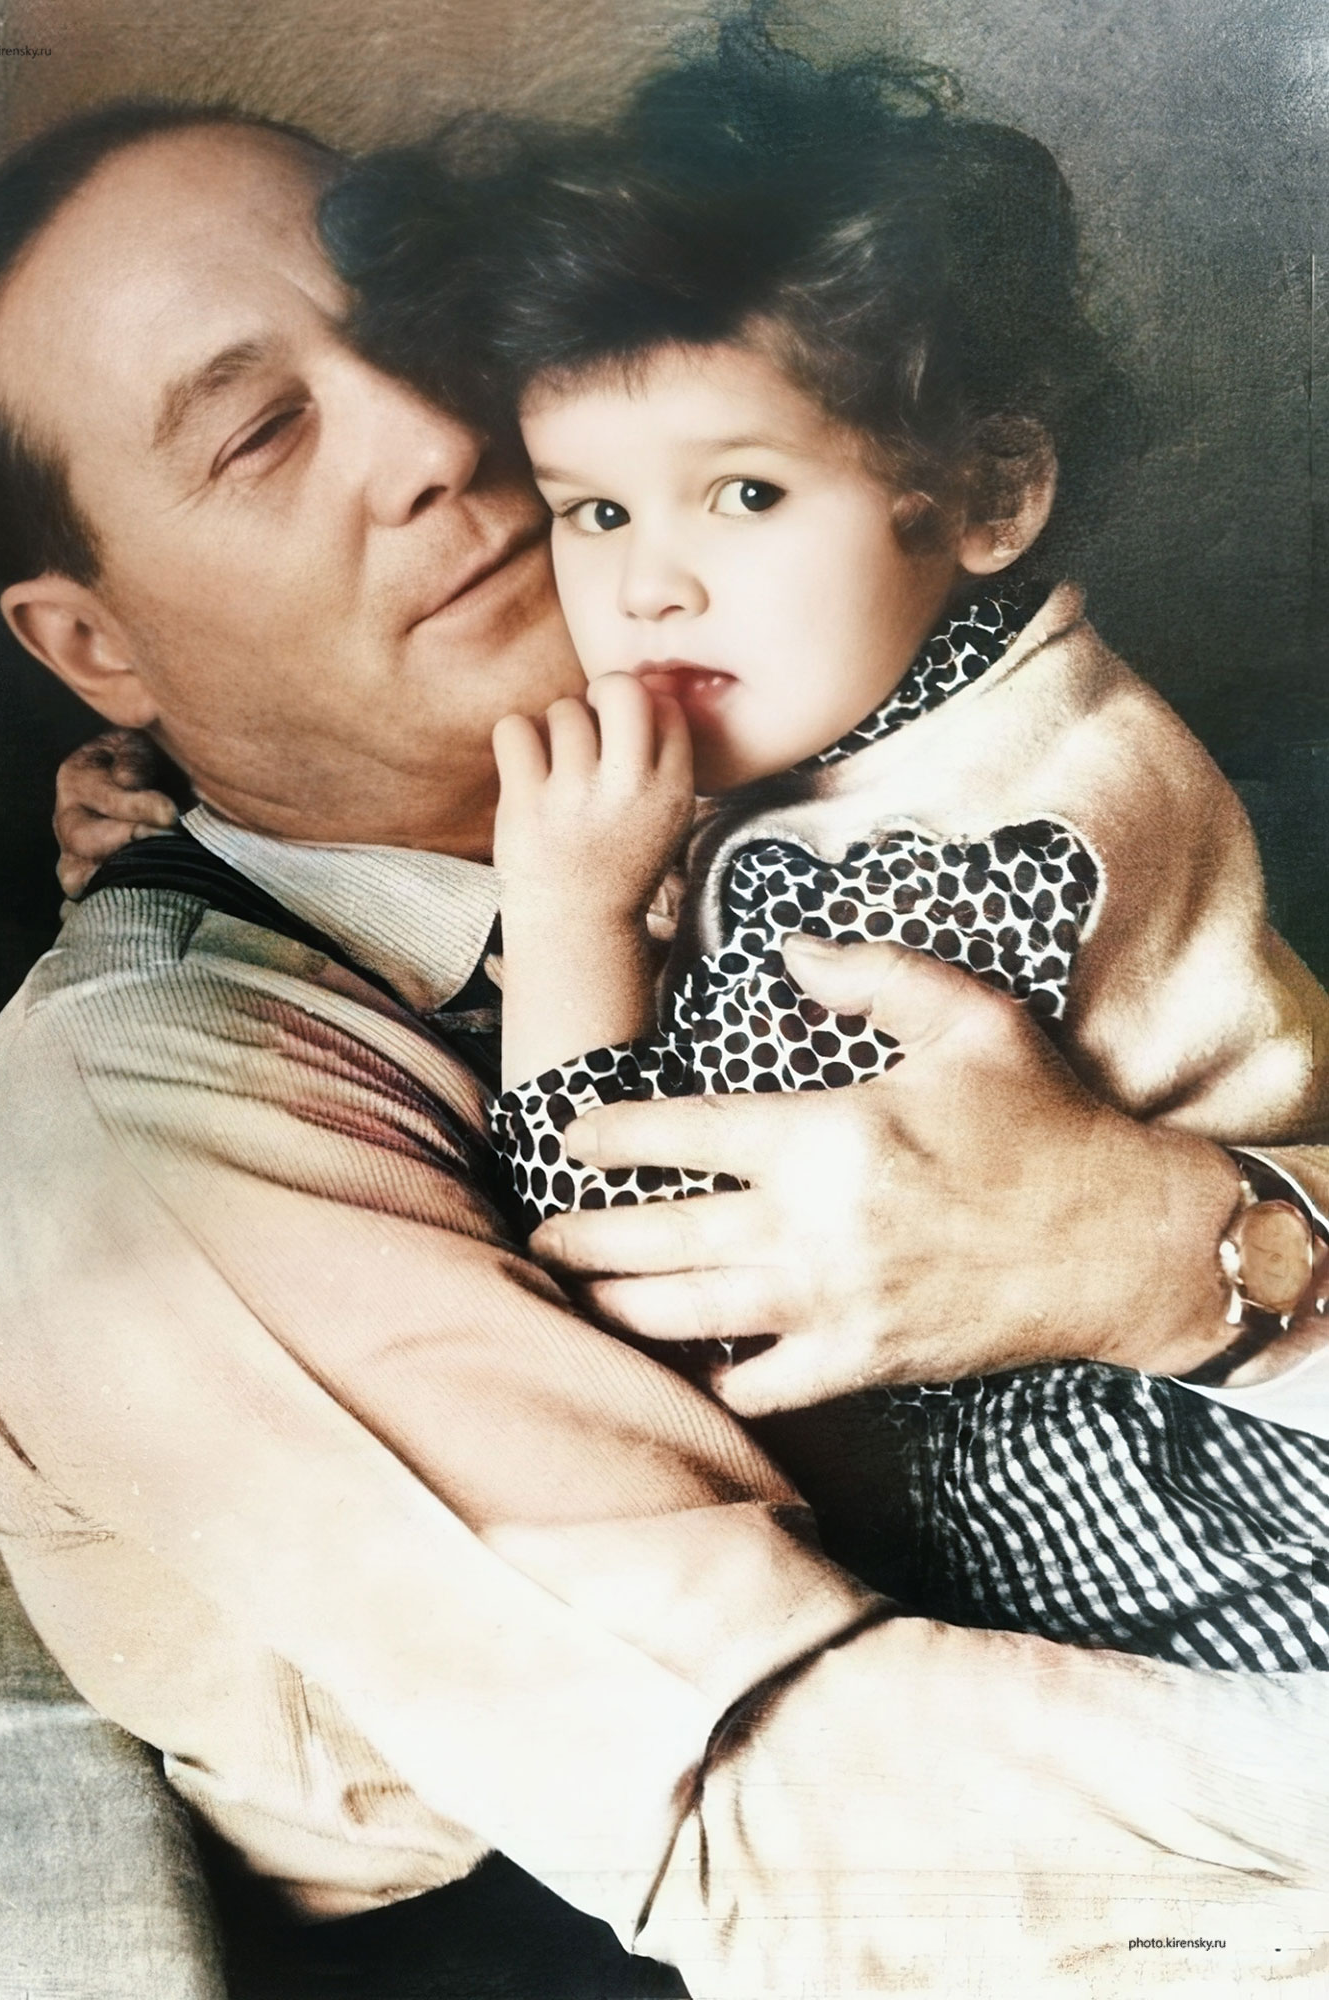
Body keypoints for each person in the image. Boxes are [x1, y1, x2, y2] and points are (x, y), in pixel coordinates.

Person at [0, 80, 1329, 2000]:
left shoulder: (857, 758)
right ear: (97, 650)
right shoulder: (155, 1108)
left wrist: (1174, 1244)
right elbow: (786, 1814)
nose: (437, 435)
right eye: (261, 433)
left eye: (419, 328)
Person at [319, 30, 1329, 1677]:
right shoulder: (972, 695)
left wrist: (568, 916)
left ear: (983, 495)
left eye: (743, 494)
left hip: (1187, 1530)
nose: (648, 586)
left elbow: (648, 1259)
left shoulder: (950, 860)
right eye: (593, 512)